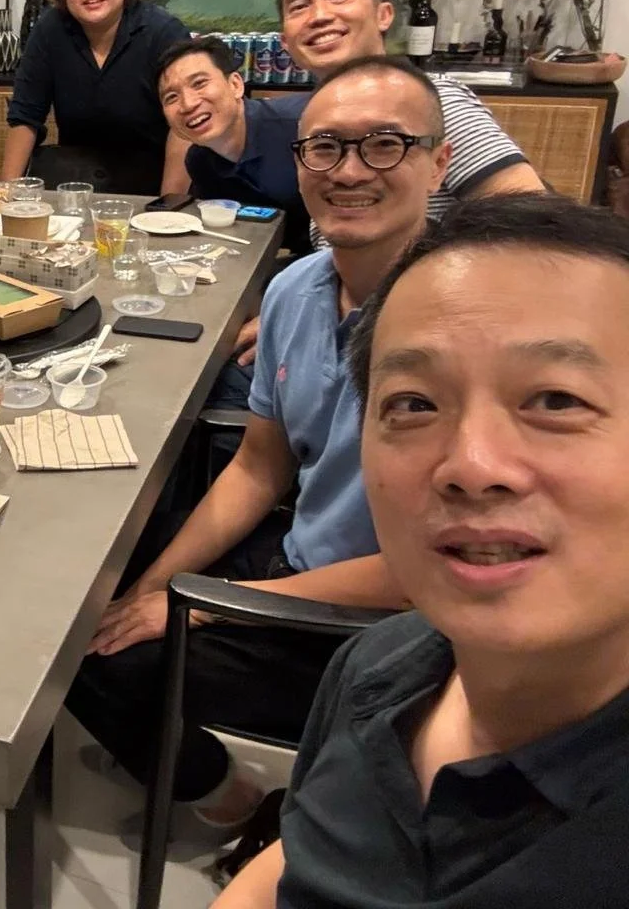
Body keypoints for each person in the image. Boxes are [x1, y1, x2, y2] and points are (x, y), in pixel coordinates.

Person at [65, 55, 448, 832]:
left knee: (76, 662)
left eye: (383, 146)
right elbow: (258, 467)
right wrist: (158, 589)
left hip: (393, 634)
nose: (348, 171)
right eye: (324, 149)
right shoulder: (293, 289)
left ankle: (224, 797)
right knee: (81, 595)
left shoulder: (463, 325)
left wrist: (213, 609)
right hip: (298, 559)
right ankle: (184, 748)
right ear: (298, 162)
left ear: (438, 162)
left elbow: (431, 569)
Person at [216, 193, 629, 908]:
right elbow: (300, 856)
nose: (472, 464)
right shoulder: (379, 669)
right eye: (414, 403)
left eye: (556, 400)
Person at [225, 0, 545, 372]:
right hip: (340, 333)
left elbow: (531, 223)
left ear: (383, 15)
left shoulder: (437, 104)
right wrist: (295, 316)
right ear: (286, 41)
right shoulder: (313, 118)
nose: (320, 15)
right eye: (300, 5)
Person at [1, 0, 192, 194]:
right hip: (76, 181)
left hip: (153, 177)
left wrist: (168, 207)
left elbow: (183, 124)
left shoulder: (163, 32)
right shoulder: (50, 30)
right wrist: (8, 193)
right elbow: (24, 116)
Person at [157, 36, 311, 253]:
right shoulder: (199, 161)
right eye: (171, 97)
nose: (188, 104)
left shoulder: (300, 127)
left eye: (199, 83)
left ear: (236, 85)